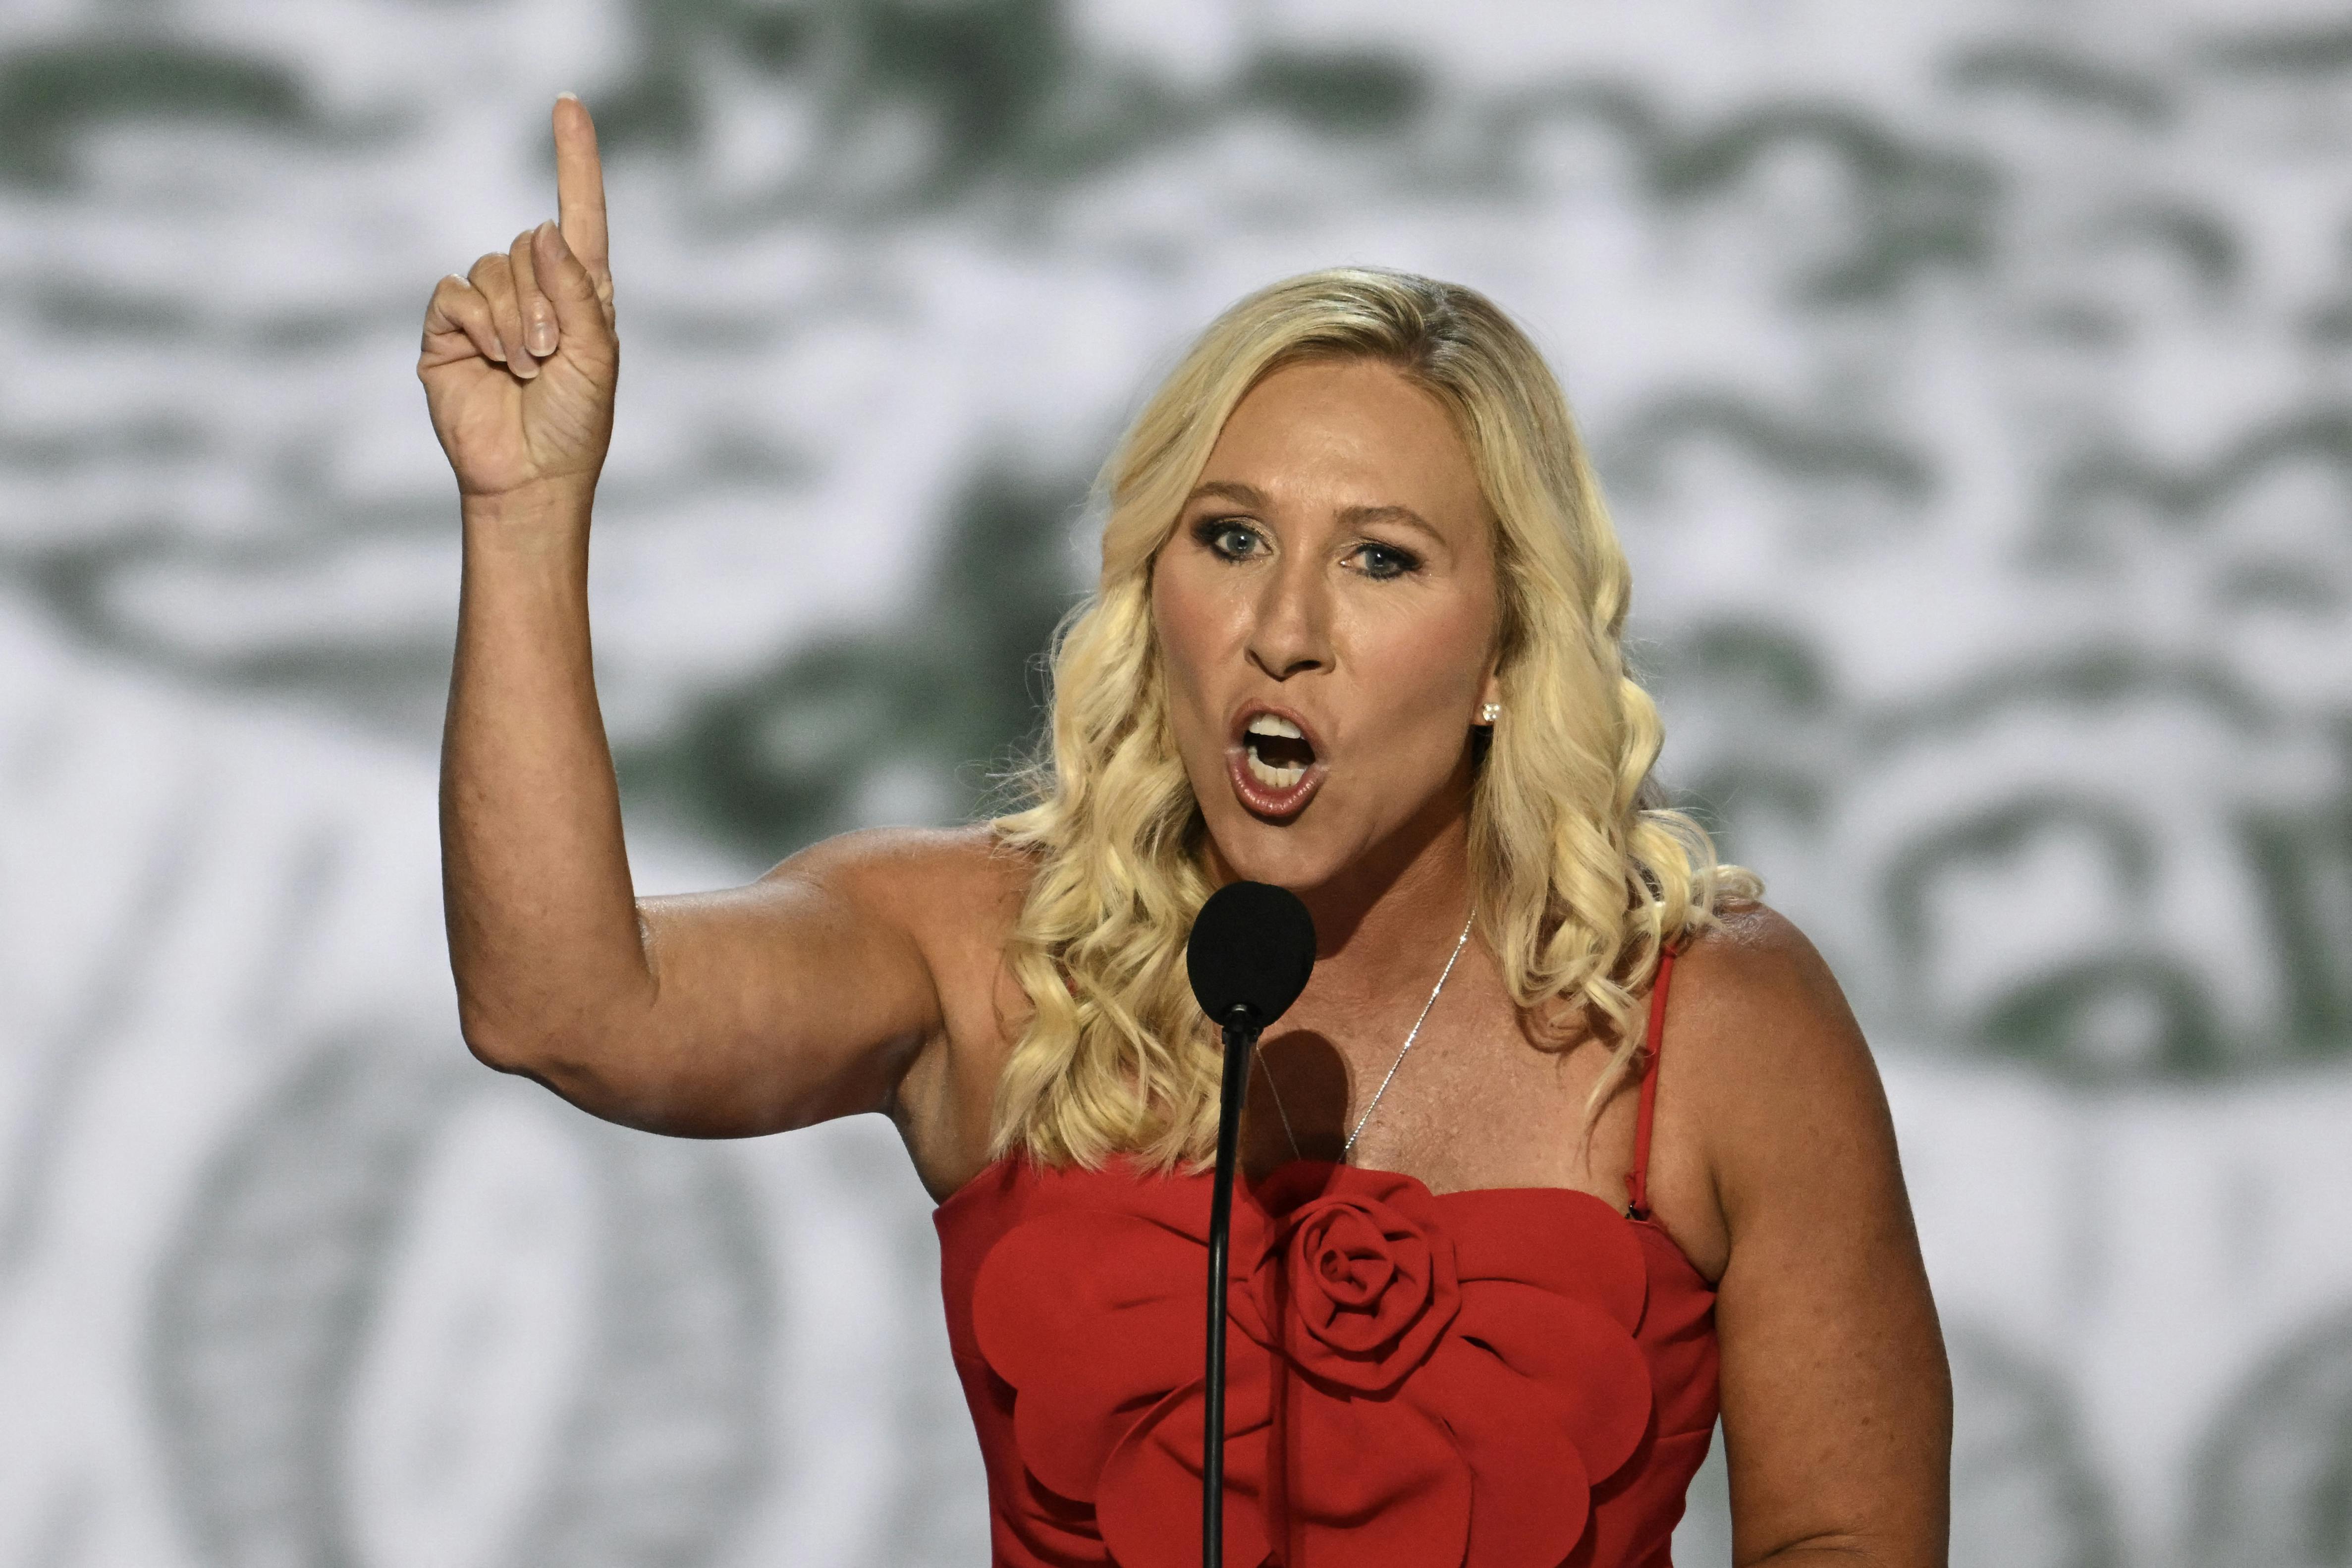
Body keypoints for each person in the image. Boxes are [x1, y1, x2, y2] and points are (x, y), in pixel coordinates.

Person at [421, 96, 1951, 1568]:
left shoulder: (1713, 1022)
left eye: (1379, 559)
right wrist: (523, 513)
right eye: (1230, 539)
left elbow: (1842, 1540)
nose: (1282, 630)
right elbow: (564, 1008)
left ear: (1504, 654)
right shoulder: (978, 954)